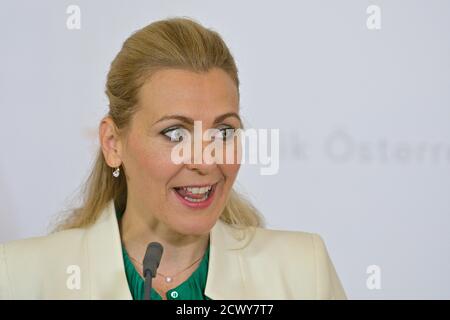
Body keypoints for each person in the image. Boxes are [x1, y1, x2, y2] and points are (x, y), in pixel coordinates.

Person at [0, 17, 346, 300]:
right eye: (175, 134)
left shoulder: (302, 273)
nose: (206, 161)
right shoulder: (19, 277)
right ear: (112, 143)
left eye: (223, 132)